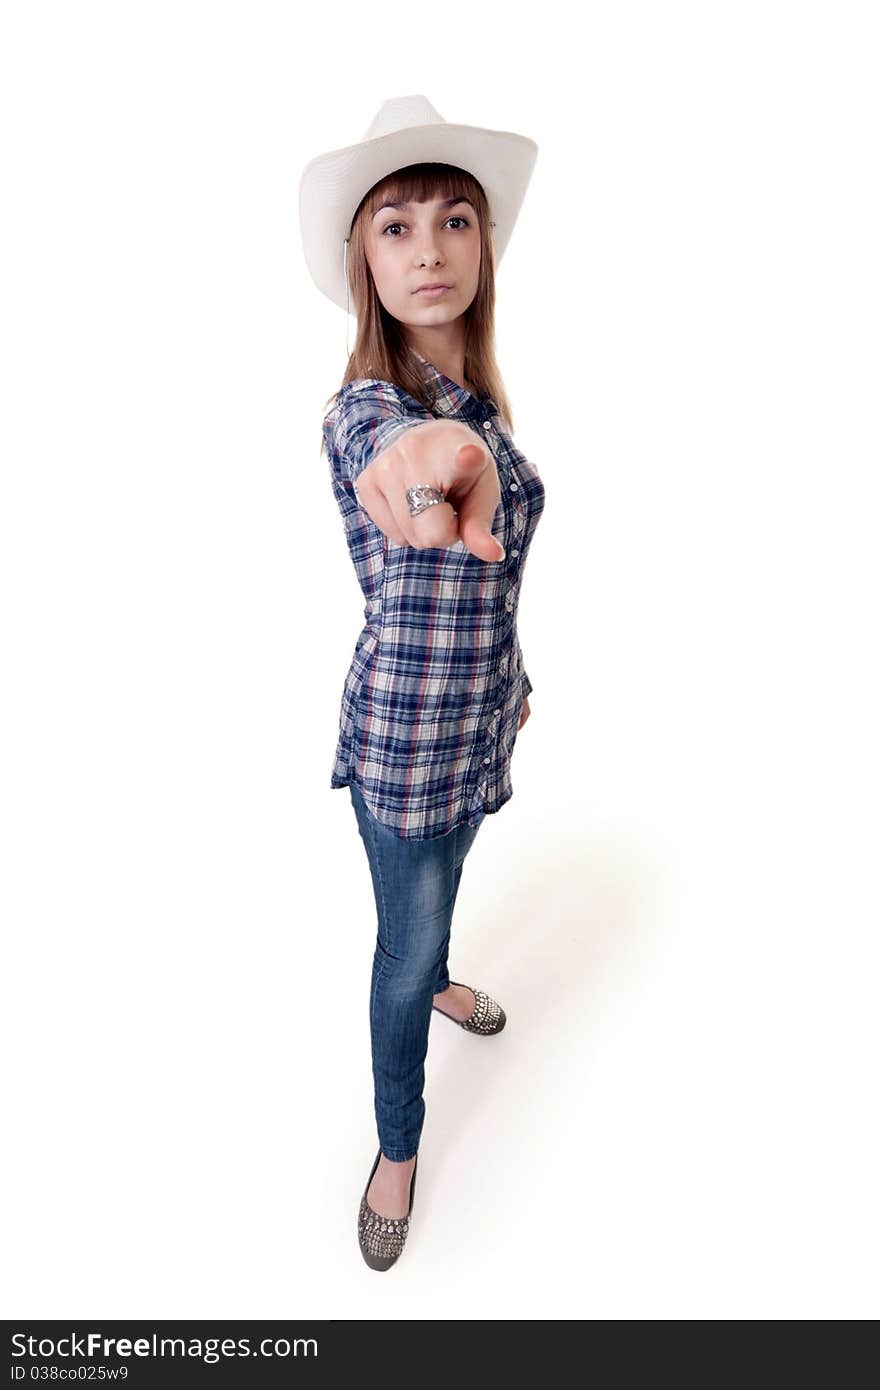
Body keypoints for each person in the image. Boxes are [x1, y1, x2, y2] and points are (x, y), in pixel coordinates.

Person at [299, 96, 545, 1270]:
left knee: (441, 896)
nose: (430, 248)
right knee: (401, 946)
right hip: (404, 745)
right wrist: (427, 469)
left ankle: (444, 972)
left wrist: (518, 681)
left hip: (480, 724)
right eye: (395, 227)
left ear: (482, 246)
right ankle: (399, 1139)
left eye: (453, 220)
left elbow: (491, 587)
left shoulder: (483, 408)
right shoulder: (371, 410)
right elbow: (395, 461)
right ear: (364, 261)